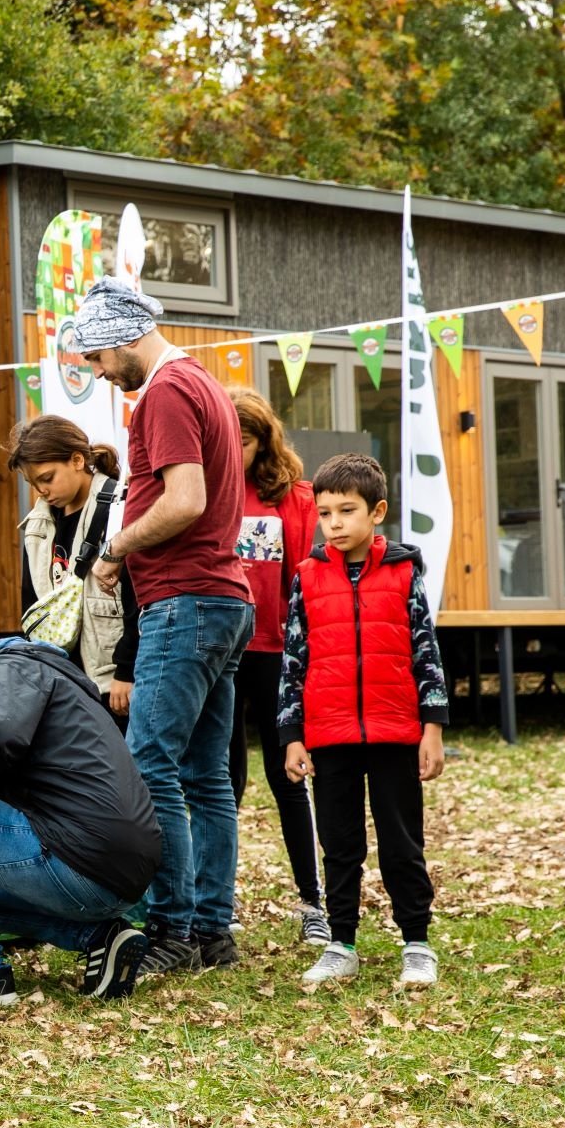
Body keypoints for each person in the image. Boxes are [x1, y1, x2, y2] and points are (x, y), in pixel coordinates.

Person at [78, 278, 254, 977]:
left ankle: (173, 929)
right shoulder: (204, 382)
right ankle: (213, 930)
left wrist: (116, 548)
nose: (96, 371)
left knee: (152, 765)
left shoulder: (166, 392)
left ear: (123, 337)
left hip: (186, 600)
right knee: (207, 774)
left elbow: (186, 499)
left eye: (95, 356)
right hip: (222, 599)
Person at [0, 626, 160, 1004]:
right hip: (124, 871)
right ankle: (101, 938)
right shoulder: (52, 673)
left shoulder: (5, 670)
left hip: (81, 857)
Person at [279, 454, 448, 987]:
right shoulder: (306, 578)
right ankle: (341, 943)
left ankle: (416, 942)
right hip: (330, 737)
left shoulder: (403, 571)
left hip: (396, 732)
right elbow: (293, 659)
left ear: (377, 512)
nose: (334, 523)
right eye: (324, 512)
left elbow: (426, 651)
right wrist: (291, 735)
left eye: (346, 511)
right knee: (340, 844)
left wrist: (433, 726)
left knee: (402, 842)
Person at [228, 390, 328, 944]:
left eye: (244, 441)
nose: (234, 450)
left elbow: (299, 578)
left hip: (274, 652)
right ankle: (222, 898)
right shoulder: (208, 484)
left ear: (264, 440)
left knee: (287, 778)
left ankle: (312, 901)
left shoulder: (294, 497)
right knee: (225, 781)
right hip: (221, 653)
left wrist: (301, 653)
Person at [8, 413, 140, 721]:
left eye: (47, 478)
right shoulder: (37, 524)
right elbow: (33, 606)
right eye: (32, 483)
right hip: (62, 679)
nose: (41, 491)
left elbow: (138, 598)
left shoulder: (119, 507)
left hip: (111, 678)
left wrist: (126, 670)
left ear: (77, 460)